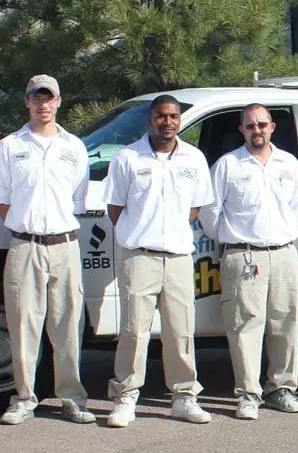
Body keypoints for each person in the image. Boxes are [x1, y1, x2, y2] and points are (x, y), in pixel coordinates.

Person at [0, 74, 94, 425]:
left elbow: (77, 199)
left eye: (49, 98)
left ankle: (72, 397)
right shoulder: (9, 146)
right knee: (23, 326)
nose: (43, 104)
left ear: (59, 101)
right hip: (25, 246)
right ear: (27, 102)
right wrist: (26, 226)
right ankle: (23, 398)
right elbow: (2, 200)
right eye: (37, 98)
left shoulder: (73, 147)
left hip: (64, 246)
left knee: (67, 325)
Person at [104, 94, 214, 428]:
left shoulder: (193, 158)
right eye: (161, 116)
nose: (167, 122)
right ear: (151, 119)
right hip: (140, 257)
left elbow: (195, 207)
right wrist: (139, 232)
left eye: (173, 117)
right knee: (133, 332)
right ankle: (125, 397)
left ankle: (184, 398)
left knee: (180, 332)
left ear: (180, 120)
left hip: (179, 257)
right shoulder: (127, 158)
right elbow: (115, 208)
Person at [199, 103, 298, 420]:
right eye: (250, 125)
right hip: (243, 255)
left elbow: (295, 203)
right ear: (241, 130)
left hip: (285, 253)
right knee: (245, 326)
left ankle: (281, 388)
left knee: (286, 322)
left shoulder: (289, 164)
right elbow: (210, 214)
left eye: (262, 124)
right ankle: (248, 394)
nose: (256, 130)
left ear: (272, 127)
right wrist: (235, 239)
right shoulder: (227, 166)